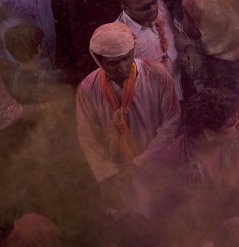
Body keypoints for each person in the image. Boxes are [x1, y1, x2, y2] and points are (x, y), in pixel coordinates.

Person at [75, 23, 181, 210]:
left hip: (156, 164)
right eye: (113, 62)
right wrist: (107, 175)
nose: (122, 66)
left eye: (126, 58)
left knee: (163, 212)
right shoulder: (87, 88)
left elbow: (171, 121)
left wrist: (142, 161)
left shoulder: (157, 75)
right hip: (117, 172)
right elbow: (87, 138)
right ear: (99, 60)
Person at [145, 88, 239, 247]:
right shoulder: (173, 164)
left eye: (236, 115)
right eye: (232, 122)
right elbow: (169, 223)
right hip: (202, 236)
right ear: (209, 134)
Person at [113, 0, 180, 98]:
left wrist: (187, 47)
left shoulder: (160, 6)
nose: (153, 8)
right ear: (125, 8)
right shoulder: (119, 37)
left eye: (154, 0)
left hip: (180, 83)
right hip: (157, 98)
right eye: (143, 7)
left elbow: (175, 34)